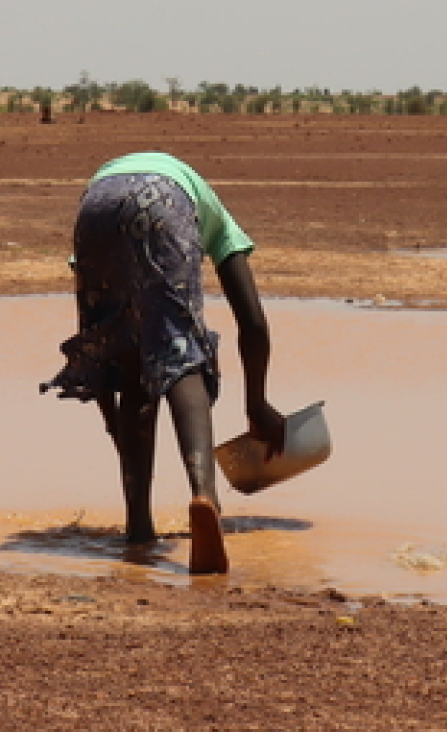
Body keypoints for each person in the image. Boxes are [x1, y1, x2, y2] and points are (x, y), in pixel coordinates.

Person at [41, 152, 285, 574]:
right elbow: (254, 324)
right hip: (161, 201)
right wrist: (257, 406)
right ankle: (204, 495)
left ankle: (138, 528)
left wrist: (111, 417)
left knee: (130, 361)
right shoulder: (216, 220)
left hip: (94, 208)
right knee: (181, 352)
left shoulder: (112, 187)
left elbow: (96, 335)